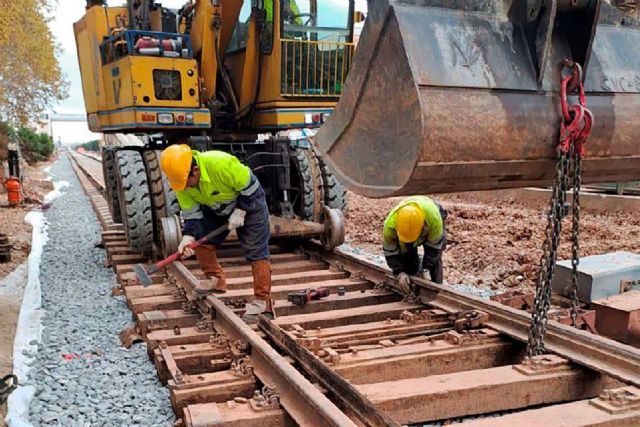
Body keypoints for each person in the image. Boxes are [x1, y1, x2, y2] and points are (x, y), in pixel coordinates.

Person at [160, 144, 272, 323]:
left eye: (185, 183)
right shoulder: (182, 184)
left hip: (250, 203)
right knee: (202, 241)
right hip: (218, 207)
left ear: (195, 171)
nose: (184, 188)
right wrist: (188, 237)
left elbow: (251, 187)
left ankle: (263, 302)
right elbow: (193, 215)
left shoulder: (220, 163)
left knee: (256, 251)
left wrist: (242, 209)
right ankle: (215, 279)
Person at [382, 196, 447, 290]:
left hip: (431, 212)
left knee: (435, 260)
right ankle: (411, 282)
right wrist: (399, 272)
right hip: (416, 219)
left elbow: (434, 249)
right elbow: (390, 253)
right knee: (408, 261)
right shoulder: (389, 226)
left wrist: (426, 269)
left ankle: (437, 289)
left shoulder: (434, 219)